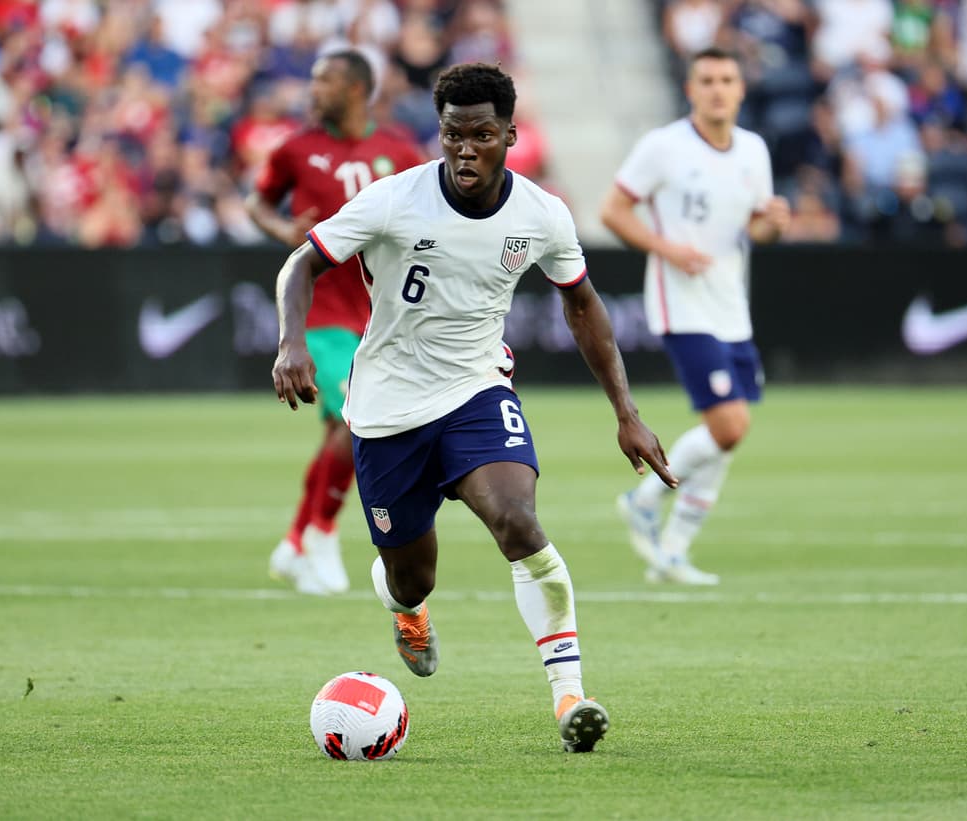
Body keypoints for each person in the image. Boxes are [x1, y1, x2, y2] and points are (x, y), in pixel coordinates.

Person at [271, 62, 677, 753]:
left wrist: (626, 410)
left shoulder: (542, 214)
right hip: (387, 409)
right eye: (453, 135)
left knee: (517, 521)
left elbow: (582, 302)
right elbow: (301, 264)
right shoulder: (394, 199)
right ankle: (406, 608)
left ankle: (569, 695)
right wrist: (290, 343)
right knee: (410, 573)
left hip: (476, 392)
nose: (465, 149)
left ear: (511, 134)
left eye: (482, 135)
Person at [600, 46, 790, 585]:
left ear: (740, 89)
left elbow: (755, 230)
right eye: (706, 79)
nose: (717, 88)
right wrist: (667, 248)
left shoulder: (753, 150)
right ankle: (643, 500)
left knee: (727, 435)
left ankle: (676, 550)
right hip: (681, 304)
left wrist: (775, 223)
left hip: (732, 304)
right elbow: (613, 209)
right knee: (729, 424)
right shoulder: (664, 147)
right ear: (691, 89)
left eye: (727, 79)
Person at [247, 49, 424, 596]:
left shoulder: (398, 150)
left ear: (355, 90)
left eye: (323, 80)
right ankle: (321, 534)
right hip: (320, 310)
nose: (311, 89)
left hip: (379, 312)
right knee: (353, 419)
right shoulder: (297, 149)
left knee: (341, 428)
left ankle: (297, 540)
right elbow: (258, 202)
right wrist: (282, 233)